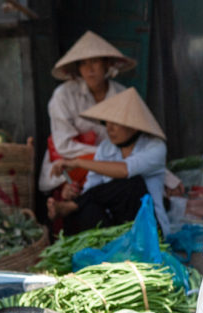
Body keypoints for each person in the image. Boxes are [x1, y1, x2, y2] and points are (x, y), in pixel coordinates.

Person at [47, 87, 169, 235]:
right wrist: (74, 194)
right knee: (87, 207)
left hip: (149, 228)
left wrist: (78, 162)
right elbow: (92, 189)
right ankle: (76, 213)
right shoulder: (106, 148)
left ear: (134, 126)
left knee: (132, 183)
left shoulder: (155, 146)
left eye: (116, 123)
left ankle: (72, 206)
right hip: (118, 224)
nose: (109, 129)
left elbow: (125, 170)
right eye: (107, 122)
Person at [39, 31, 136, 200]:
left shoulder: (123, 95)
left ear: (107, 64)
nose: (89, 69)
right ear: (77, 69)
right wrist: (104, 155)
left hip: (117, 168)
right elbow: (64, 146)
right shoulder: (63, 95)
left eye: (95, 62)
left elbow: (139, 140)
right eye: (83, 64)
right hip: (70, 168)